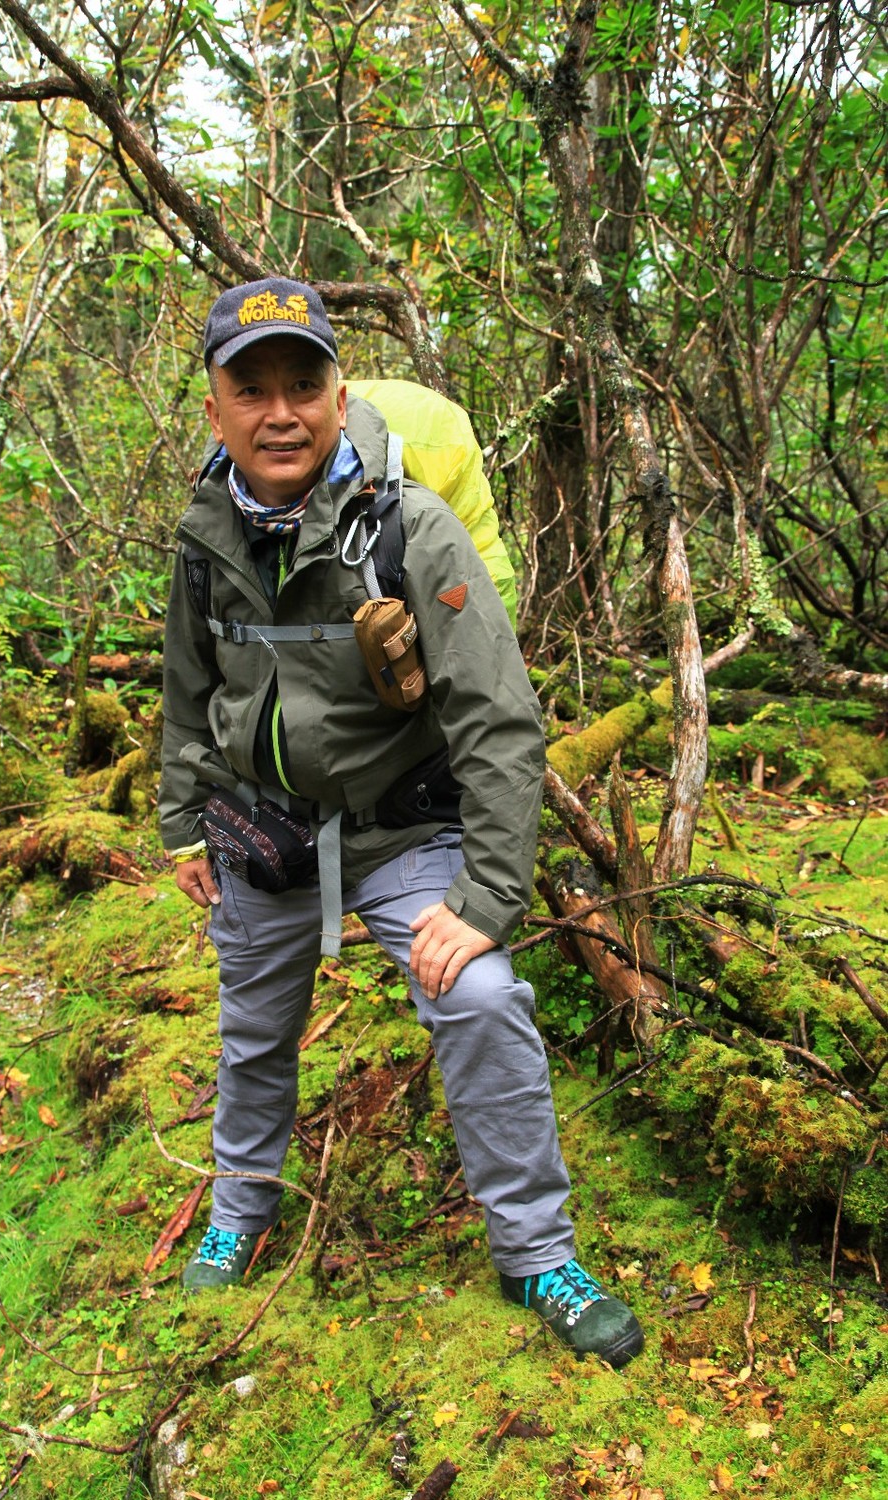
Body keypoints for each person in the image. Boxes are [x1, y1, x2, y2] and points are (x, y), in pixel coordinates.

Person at [158, 277, 644, 1367]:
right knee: (252, 1031)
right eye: (252, 389)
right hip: (264, 833)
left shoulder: (409, 528)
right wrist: (184, 820)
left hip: (401, 833)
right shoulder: (203, 531)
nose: (279, 412)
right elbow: (188, 685)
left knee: (479, 997)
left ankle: (536, 1256)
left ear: (339, 394)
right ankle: (242, 1205)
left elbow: (502, 721)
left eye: (302, 384)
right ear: (215, 408)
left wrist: (483, 899)